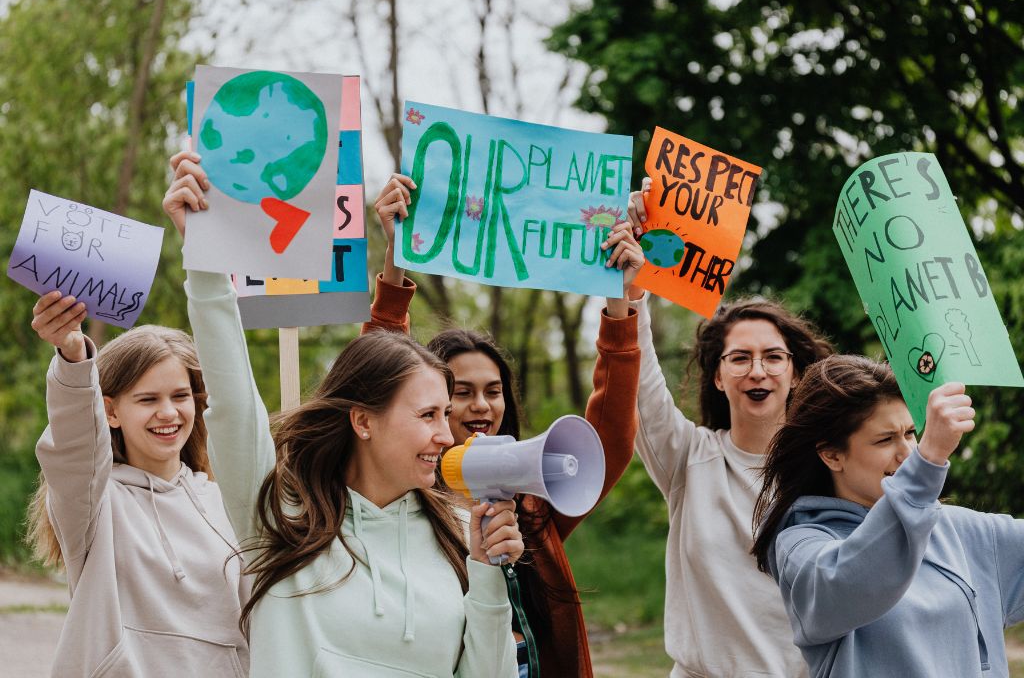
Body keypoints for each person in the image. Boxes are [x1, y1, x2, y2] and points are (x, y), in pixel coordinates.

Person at [164, 150, 522, 678]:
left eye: (445, 414)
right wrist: (206, 260)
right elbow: (235, 400)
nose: (447, 434)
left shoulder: (457, 533)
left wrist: (489, 574)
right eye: (427, 415)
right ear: (363, 420)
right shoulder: (279, 514)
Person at [367, 173, 645, 677]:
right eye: (461, 392)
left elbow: (609, 439)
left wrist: (619, 301)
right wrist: (395, 257)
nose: (482, 406)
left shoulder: (533, 506)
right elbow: (381, 378)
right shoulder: (399, 499)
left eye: (493, 391)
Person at [625, 183, 833, 677]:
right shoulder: (687, 458)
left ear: (795, 373)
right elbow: (637, 382)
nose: (757, 370)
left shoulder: (831, 466)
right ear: (718, 377)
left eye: (773, 357)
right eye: (739, 358)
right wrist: (632, 291)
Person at [752, 355, 1024, 677]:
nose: (907, 453)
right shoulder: (801, 546)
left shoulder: (960, 530)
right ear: (831, 454)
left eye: (910, 433)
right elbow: (854, 580)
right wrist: (929, 460)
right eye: (885, 439)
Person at [26, 291, 250, 678]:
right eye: (147, 399)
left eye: (180, 396)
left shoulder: (225, 501)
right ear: (110, 411)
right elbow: (75, 446)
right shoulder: (93, 503)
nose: (168, 412)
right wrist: (73, 357)